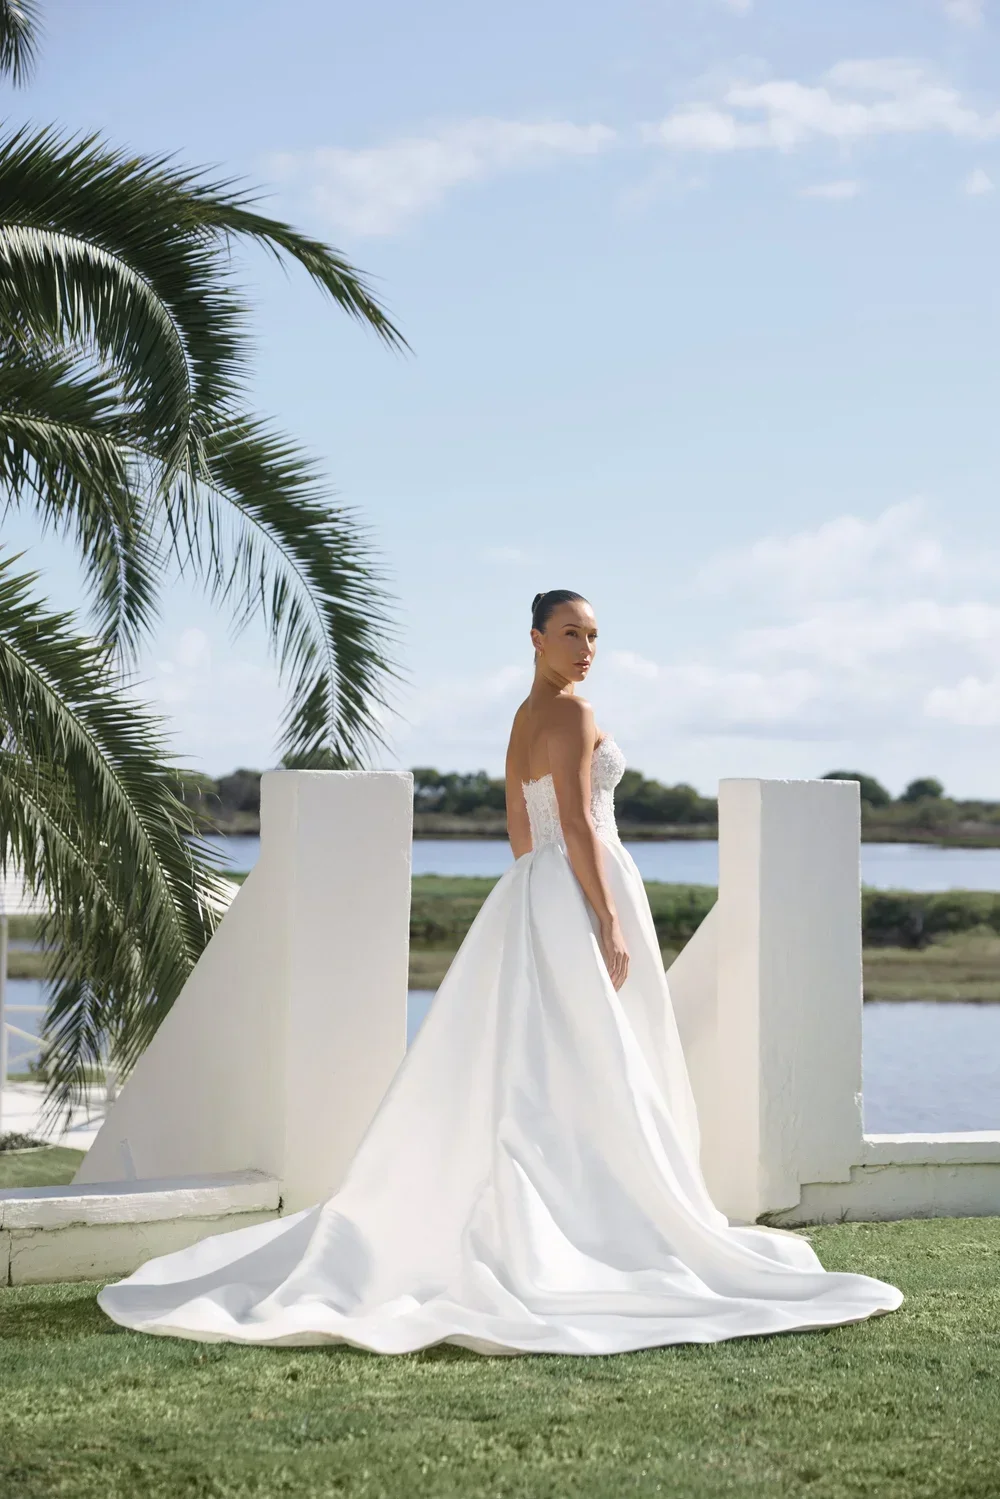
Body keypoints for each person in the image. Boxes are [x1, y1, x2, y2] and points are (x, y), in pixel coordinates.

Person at [97, 590, 903, 1354]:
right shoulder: (574, 713)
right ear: (536, 638)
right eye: (571, 633)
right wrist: (607, 916)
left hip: (534, 889)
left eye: (594, 636)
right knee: (603, 1058)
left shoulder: (523, 717)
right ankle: (598, 1222)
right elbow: (580, 821)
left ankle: (563, 1213)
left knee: (550, 1062)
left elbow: (522, 827)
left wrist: (543, 890)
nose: (586, 649)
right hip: (584, 883)